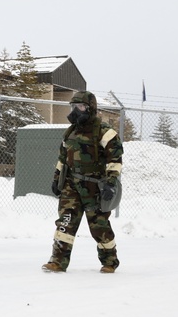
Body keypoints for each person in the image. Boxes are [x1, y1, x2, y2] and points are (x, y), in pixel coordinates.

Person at [43, 90, 123, 273]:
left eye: (79, 107)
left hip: (95, 187)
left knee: (99, 226)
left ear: (90, 108)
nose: (75, 111)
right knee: (65, 222)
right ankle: (57, 261)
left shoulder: (105, 132)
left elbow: (115, 160)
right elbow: (62, 159)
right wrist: (56, 179)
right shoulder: (70, 133)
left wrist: (110, 182)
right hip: (72, 185)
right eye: (73, 106)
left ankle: (109, 262)